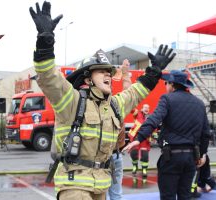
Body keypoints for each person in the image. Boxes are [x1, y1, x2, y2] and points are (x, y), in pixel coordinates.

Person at [29, 1, 175, 199]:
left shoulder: (114, 105)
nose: (108, 75)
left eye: (109, 72)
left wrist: (155, 71)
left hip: (101, 185)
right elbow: (48, 77)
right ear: (88, 80)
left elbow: (137, 92)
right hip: (75, 186)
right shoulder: (71, 101)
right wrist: (45, 40)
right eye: (102, 71)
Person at [123, 70, 211, 200]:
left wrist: (139, 138)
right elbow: (205, 133)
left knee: (167, 196)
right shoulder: (199, 103)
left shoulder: (167, 99)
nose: (165, 86)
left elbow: (154, 119)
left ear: (171, 84)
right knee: (185, 196)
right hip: (191, 158)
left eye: (166, 83)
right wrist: (202, 154)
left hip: (171, 157)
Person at [107, 59, 131, 200]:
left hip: (100, 158)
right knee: (116, 194)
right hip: (116, 155)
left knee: (99, 194)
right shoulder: (118, 105)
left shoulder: (92, 105)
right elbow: (128, 90)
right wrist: (125, 73)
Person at [128, 104, 152, 178]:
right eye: (145, 107)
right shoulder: (137, 113)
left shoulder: (151, 117)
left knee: (144, 155)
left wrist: (154, 135)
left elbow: (154, 127)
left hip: (145, 138)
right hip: (136, 137)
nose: (146, 109)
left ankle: (144, 170)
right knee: (134, 153)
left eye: (148, 108)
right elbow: (132, 110)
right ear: (142, 109)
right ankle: (135, 166)